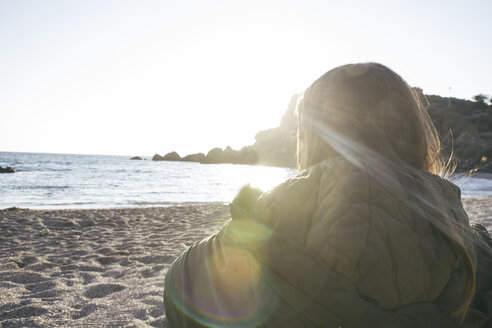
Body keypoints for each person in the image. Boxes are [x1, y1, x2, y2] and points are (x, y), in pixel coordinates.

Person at [164, 63, 492, 327]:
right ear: (417, 135)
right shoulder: (470, 246)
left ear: (308, 137)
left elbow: (181, 287)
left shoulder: (264, 217)